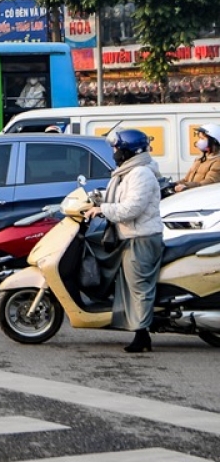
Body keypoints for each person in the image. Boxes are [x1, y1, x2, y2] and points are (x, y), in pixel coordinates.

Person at [83, 129, 163, 353]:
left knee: (139, 287)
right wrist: (96, 198)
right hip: (129, 235)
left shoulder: (141, 174)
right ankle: (137, 327)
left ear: (129, 150)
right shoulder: (126, 172)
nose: (114, 152)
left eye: (117, 148)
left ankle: (142, 335)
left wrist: (102, 209)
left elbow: (131, 209)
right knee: (129, 284)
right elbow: (120, 197)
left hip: (142, 237)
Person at [174, 124, 220, 192]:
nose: (199, 141)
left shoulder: (217, 161)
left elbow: (210, 181)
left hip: (202, 197)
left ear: (213, 141)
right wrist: (173, 184)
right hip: (191, 194)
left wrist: (186, 186)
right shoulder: (200, 158)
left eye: (202, 138)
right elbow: (186, 179)